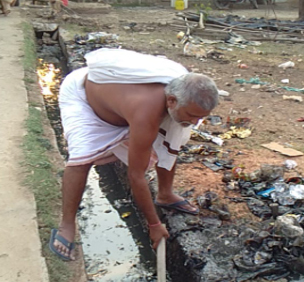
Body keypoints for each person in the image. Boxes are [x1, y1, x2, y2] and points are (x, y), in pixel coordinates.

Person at [50, 49, 218, 261]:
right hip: (86, 100)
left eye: (201, 117)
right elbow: (136, 175)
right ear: (172, 102)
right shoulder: (146, 112)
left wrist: (189, 117)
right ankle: (67, 225)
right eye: (193, 116)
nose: (196, 123)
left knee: (171, 137)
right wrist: (154, 225)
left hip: (123, 102)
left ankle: (165, 194)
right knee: (82, 160)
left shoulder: (182, 90)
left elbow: (174, 136)